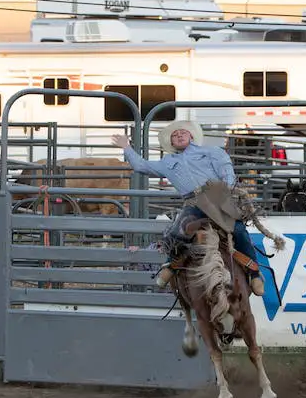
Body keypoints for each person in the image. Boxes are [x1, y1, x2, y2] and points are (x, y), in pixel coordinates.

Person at [111, 120, 264, 296]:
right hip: (193, 202)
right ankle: (170, 266)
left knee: (238, 230)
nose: (178, 135)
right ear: (172, 143)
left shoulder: (211, 152)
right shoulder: (167, 162)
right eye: (174, 135)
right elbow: (141, 166)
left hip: (217, 196)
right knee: (177, 232)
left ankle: (254, 273)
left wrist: (228, 191)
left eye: (182, 132)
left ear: (191, 136)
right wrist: (126, 147)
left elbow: (226, 170)